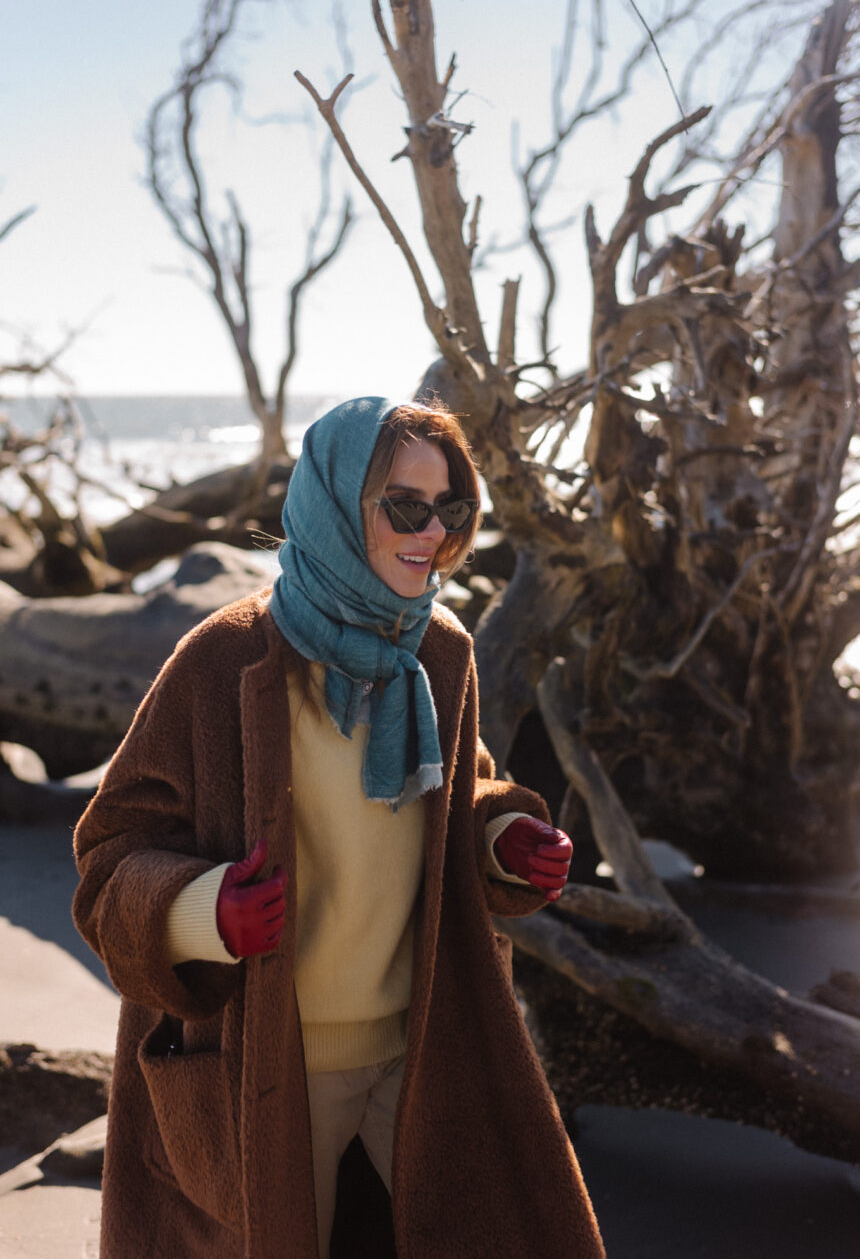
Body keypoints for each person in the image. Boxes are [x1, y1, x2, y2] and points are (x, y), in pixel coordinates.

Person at [73, 395, 604, 1259]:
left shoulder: (440, 649)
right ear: (332, 504)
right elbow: (108, 858)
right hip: (266, 1063)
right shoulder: (221, 659)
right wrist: (204, 911)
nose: (432, 532)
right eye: (404, 506)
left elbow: (457, 790)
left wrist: (501, 839)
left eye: (449, 508)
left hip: (420, 1046)